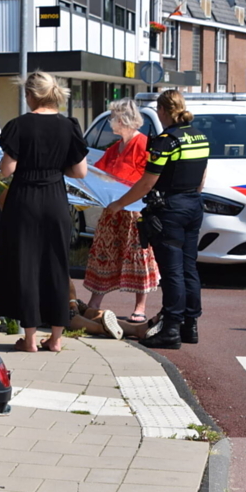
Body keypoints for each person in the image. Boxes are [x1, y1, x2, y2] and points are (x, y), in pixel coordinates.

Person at [0, 71, 88, 353]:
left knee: (26, 265)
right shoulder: (69, 126)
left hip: (24, 200)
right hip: (56, 198)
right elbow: (80, 171)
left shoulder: (19, 125)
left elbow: (7, 169)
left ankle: (30, 339)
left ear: (30, 95)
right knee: (56, 264)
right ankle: (56, 339)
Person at [105, 90, 209, 349]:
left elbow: (147, 181)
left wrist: (119, 204)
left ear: (162, 111)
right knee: (189, 267)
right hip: (194, 205)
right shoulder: (199, 136)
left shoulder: (166, 141)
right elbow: (203, 175)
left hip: (170, 209)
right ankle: (189, 325)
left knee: (172, 271)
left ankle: (170, 329)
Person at [83, 98, 160, 323]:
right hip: (113, 211)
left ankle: (140, 306)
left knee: (137, 257)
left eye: (112, 118)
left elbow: (148, 179)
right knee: (103, 255)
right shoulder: (116, 147)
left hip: (135, 211)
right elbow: (98, 172)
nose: (109, 122)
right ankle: (95, 302)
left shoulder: (143, 144)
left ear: (123, 119)